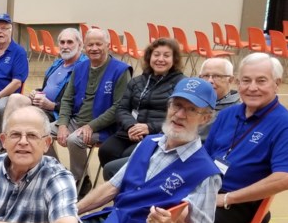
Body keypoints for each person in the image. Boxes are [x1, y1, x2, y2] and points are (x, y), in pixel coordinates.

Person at [132, 54, 288, 223]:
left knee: (180, 215)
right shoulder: (228, 115)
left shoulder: (285, 125)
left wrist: (227, 198)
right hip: (206, 185)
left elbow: (285, 178)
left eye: (261, 81)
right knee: (149, 195)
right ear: (237, 83)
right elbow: (204, 152)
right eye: (246, 80)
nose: (252, 87)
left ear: (277, 83)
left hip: (239, 202)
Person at [74, 78, 222, 223]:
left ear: (206, 118)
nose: (180, 114)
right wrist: (73, 210)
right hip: (110, 221)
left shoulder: (205, 172)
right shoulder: (149, 143)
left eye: (191, 109)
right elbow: (113, 186)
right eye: (177, 105)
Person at [100, 56, 240, 181]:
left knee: (115, 168)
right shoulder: (191, 99)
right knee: (114, 158)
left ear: (231, 80)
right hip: (163, 145)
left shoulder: (232, 112)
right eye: (206, 76)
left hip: (188, 161)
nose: (210, 81)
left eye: (217, 76)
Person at [55, 27, 132, 195]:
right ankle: (55, 173)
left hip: (105, 128)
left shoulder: (121, 70)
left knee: (74, 140)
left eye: (99, 44)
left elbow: (119, 107)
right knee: (41, 131)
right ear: (84, 47)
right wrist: (62, 124)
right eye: (90, 45)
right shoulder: (80, 68)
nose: (94, 48)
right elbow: (67, 99)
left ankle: (81, 181)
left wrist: (91, 126)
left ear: (108, 46)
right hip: (76, 121)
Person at [97, 37, 185, 169]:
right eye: (156, 55)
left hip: (158, 135)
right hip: (129, 132)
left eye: (166, 56)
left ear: (174, 60)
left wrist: (149, 127)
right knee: (106, 151)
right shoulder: (137, 81)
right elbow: (122, 109)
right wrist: (132, 126)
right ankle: (116, 188)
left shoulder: (181, 83)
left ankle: (132, 188)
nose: (160, 59)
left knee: (130, 155)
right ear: (149, 57)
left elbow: (180, 117)